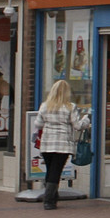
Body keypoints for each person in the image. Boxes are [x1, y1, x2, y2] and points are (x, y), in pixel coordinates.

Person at [33, 79, 89, 210]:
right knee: (56, 171)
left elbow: (38, 124)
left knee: (50, 169)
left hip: (47, 144)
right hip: (63, 144)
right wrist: (86, 120)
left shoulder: (45, 106)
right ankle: (49, 200)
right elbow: (77, 126)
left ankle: (52, 195)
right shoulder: (70, 107)